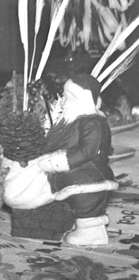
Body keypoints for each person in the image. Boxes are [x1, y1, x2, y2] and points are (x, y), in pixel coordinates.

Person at [32, 73, 117, 246]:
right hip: (76, 172)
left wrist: (57, 161)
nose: (63, 102)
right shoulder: (74, 121)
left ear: (84, 99)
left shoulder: (92, 123)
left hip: (90, 174)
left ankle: (91, 232)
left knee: (85, 200)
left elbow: (87, 151)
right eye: (64, 97)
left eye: (68, 98)